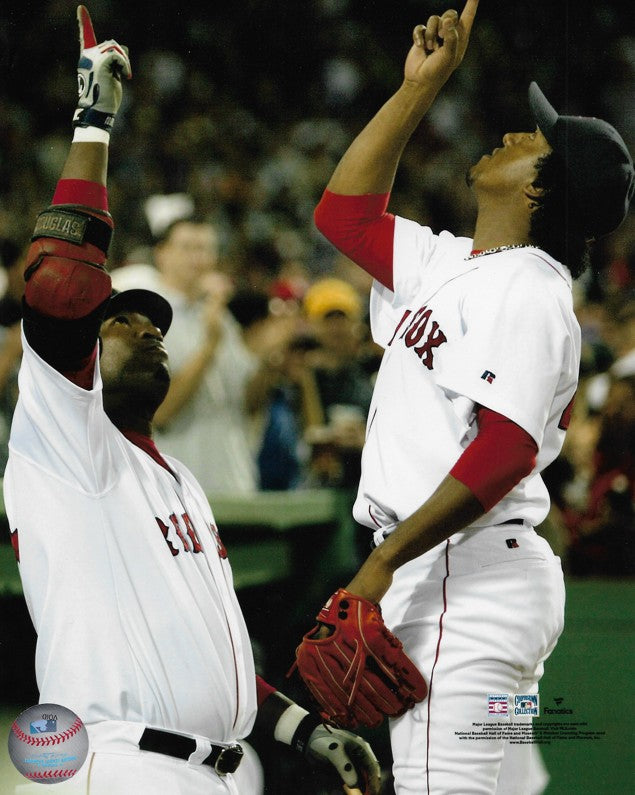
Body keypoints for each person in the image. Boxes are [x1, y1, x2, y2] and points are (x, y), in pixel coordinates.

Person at [4, 7, 381, 795]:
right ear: (79, 349)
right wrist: (94, 122)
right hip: (126, 764)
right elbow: (63, 276)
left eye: (155, 324)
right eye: (122, 323)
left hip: (227, 768)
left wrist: (304, 730)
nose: (147, 332)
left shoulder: (179, 477)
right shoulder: (64, 440)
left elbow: (218, 652)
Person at [303, 1, 634, 793]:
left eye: (537, 141)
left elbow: (504, 448)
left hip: (464, 577)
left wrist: (381, 563)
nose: (517, 133)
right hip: (459, 571)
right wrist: (418, 90)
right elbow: (343, 215)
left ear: (538, 192)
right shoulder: (456, 262)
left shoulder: (528, 290)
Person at [111, 217, 261, 495]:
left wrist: (271, 363)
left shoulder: (222, 317)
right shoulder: (146, 322)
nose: (199, 258)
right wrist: (209, 347)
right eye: (188, 247)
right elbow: (161, 412)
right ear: (162, 254)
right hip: (177, 488)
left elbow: (247, 403)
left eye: (206, 249)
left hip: (234, 483)